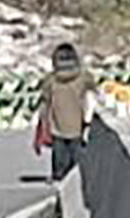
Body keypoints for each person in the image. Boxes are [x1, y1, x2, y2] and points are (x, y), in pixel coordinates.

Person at [38, 42, 91, 182]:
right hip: (78, 124)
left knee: (59, 154)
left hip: (56, 124)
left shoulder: (50, 80)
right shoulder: (83, 78)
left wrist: (42, 122)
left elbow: (44, 101)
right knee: (76, 157)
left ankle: (58, 176)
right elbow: (94, 94)